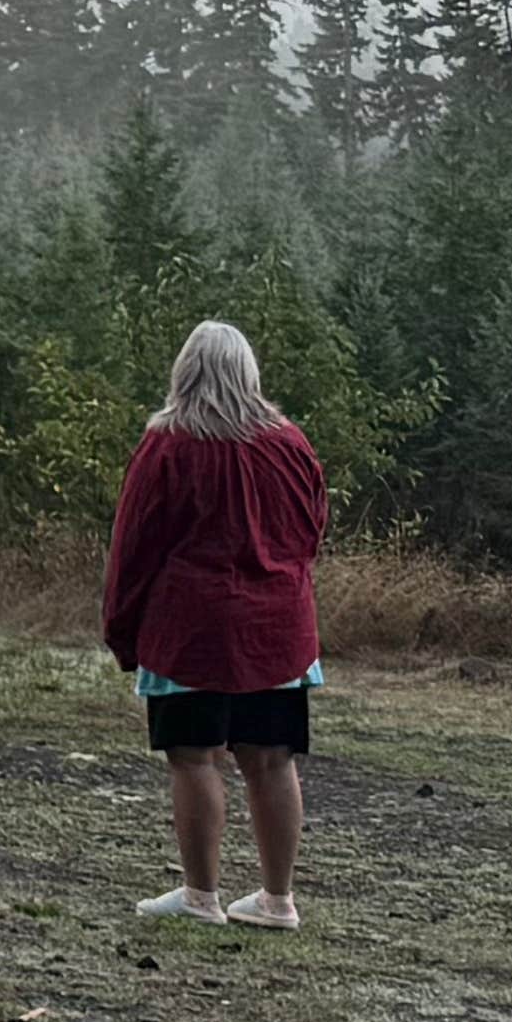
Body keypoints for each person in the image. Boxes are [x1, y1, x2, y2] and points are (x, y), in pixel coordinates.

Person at [100, 317, 329, 929]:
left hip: (191, 633)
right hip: (277, 630)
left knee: (194, 757)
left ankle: (201, 896)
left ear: (185, 372)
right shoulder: (290, 443)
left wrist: (123, 632)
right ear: (248, 373)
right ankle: (277, 900)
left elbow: (133, 547)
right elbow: (311, 532)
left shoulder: (167, 446)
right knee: (273, 758)